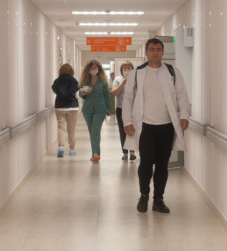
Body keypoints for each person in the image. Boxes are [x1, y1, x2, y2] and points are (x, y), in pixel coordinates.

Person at [123, 38, 191, 213]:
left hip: (167, 126)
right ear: (146, 52)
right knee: (146, 163)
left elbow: (182, 95)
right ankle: (144, 195)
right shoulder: (137, 73)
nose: (155, 52)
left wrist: (184, 115)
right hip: (145, 126)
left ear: (162, 52)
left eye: (159, 49)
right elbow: (128, 98)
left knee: (162, 164)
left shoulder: (172, 71)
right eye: (152, 49)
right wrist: (127, 121)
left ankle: (158, 200)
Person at [79, 59, 110, 162]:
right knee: (91, 132)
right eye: (91, 68)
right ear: (88, 69)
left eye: (95, 68)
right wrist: (83, 93)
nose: (93, 69)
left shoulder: (103, 82)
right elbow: (80, 94)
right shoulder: (85, 81)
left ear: (99, 69)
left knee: (95, 131)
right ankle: (95, 154)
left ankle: (96, 153)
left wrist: (108, 108)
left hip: (100, 109)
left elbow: (107, 95)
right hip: (87, 109)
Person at [50, 63, 79, 158]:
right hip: (72, 107)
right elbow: (77, 94)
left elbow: (54, 90)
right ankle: (72, 149)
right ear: (71, 71)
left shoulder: (57, 81)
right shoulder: (74, 81)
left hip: (60, 107)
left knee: (61, 127)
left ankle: (61, 147)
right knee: (71, 129)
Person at [111, 61, 137, 161]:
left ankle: (132, 152)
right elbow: (115, 93)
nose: (126, 70)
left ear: (132, 69)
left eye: (128, 68)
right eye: (124, 68)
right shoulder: (117, 79)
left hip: (133, 109)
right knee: (123, 131)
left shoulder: (136, 78)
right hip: (120, 109)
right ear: (121, 70)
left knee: (133, 130)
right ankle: (125, 153)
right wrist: (122, 84)